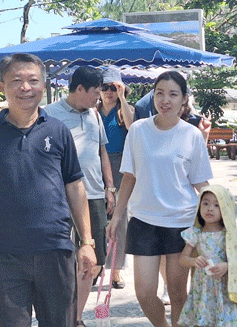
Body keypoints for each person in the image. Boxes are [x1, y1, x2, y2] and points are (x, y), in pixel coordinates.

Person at [0, 53, 96, 327]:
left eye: (33, 80)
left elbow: (75, 187)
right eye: (16, 81)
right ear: (2, 87)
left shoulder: (58, 132)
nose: (25, 88)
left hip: (55, 250)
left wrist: (87, 243)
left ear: (43, 86)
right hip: (2, 254)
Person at [107, 71, 213, 327]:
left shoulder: (192, 135)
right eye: (160, 93)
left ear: (184, 99)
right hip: (144, 220)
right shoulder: (139, 130)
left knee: (177, 293)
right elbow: (129, 176)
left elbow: (201, 183)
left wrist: (220, 214)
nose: (165, 100)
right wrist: (118, 216)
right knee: (144, 293)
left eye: (173, 94)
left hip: (182, 222)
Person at [44, 66, 116, 326]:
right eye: (95, 92)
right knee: (61, 260)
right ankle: (61, 315)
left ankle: (76, 318)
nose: (99, 97)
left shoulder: (95, 115)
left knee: (92, 261)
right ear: (79, 89)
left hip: (95, 195)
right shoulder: (49, 115)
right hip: (60, 197)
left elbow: (102, 152)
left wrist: (110, 188)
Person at [178, 185, 237, 327]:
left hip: (225, 289)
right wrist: (194, 261)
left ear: (225, 209)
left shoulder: (231, 236)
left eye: (217, 205)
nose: (210, 208)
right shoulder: (195, 233)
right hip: (203, 289)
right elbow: (182, 259)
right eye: (205, 203)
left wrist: (227, 266)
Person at [97, 67, 135, 289]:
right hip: (96, 165)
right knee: (97, 217)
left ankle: (116, 269)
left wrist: (122, 99)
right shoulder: (92, 111)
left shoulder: (124, 111)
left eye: (114, 87)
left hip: (121, 165)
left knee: (119, 219)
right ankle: (98, 265)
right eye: (105, 87)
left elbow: (132, 127)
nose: (109, 92)